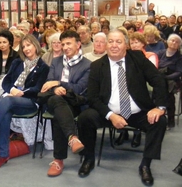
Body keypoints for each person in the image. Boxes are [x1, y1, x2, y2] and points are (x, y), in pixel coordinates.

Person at [78, 29, 168, 186]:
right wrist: (111, 115)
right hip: (109, 112)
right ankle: (88, 158)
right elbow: (92, 97)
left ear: (126, 44)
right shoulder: (98, 65)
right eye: (110, 41)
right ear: (106, 45)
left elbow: (158, 80)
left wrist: (159, 107)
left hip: (137, 112)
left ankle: (145, 164)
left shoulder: (138, 58)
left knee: (160, 121)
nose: (114, 45)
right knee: (85, 117)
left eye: (118, 42)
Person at [0, 34, 49, 170]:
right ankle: (3, 155)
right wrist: (12, 90)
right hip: (12, 98)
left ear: (36, 46)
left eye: (29, 45)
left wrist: (23, 92)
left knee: (6, 101)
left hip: (29, 101)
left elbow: (38, 88)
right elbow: (6, 81)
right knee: (5, 112)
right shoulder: (17, 63)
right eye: (23, 46)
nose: (26, 49)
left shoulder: (43, 67)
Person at [40, 30, 91, 177]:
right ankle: (72, 138)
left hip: (74, 103)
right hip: (53, 98)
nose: (65, 47)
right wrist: (56, 87)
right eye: (63, 44)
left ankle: (58, 160)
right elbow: (48, 82)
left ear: (78, 44)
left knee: (59, 114)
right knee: (56, 101)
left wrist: (59, 83)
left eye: (69, 43)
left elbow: (80, 89)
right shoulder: (56, 62)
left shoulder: (87, 65)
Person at [157, 34, 182, 130]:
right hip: (159, 77)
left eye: (176, 42)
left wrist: (166, 78)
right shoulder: (160, 53)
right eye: (172, 40)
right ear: (168, 41)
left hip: (172, 80)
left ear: (179, 45)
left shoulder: (179, 57)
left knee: (169, 96)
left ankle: (170, 121)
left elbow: (179, 72)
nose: (174, 42)